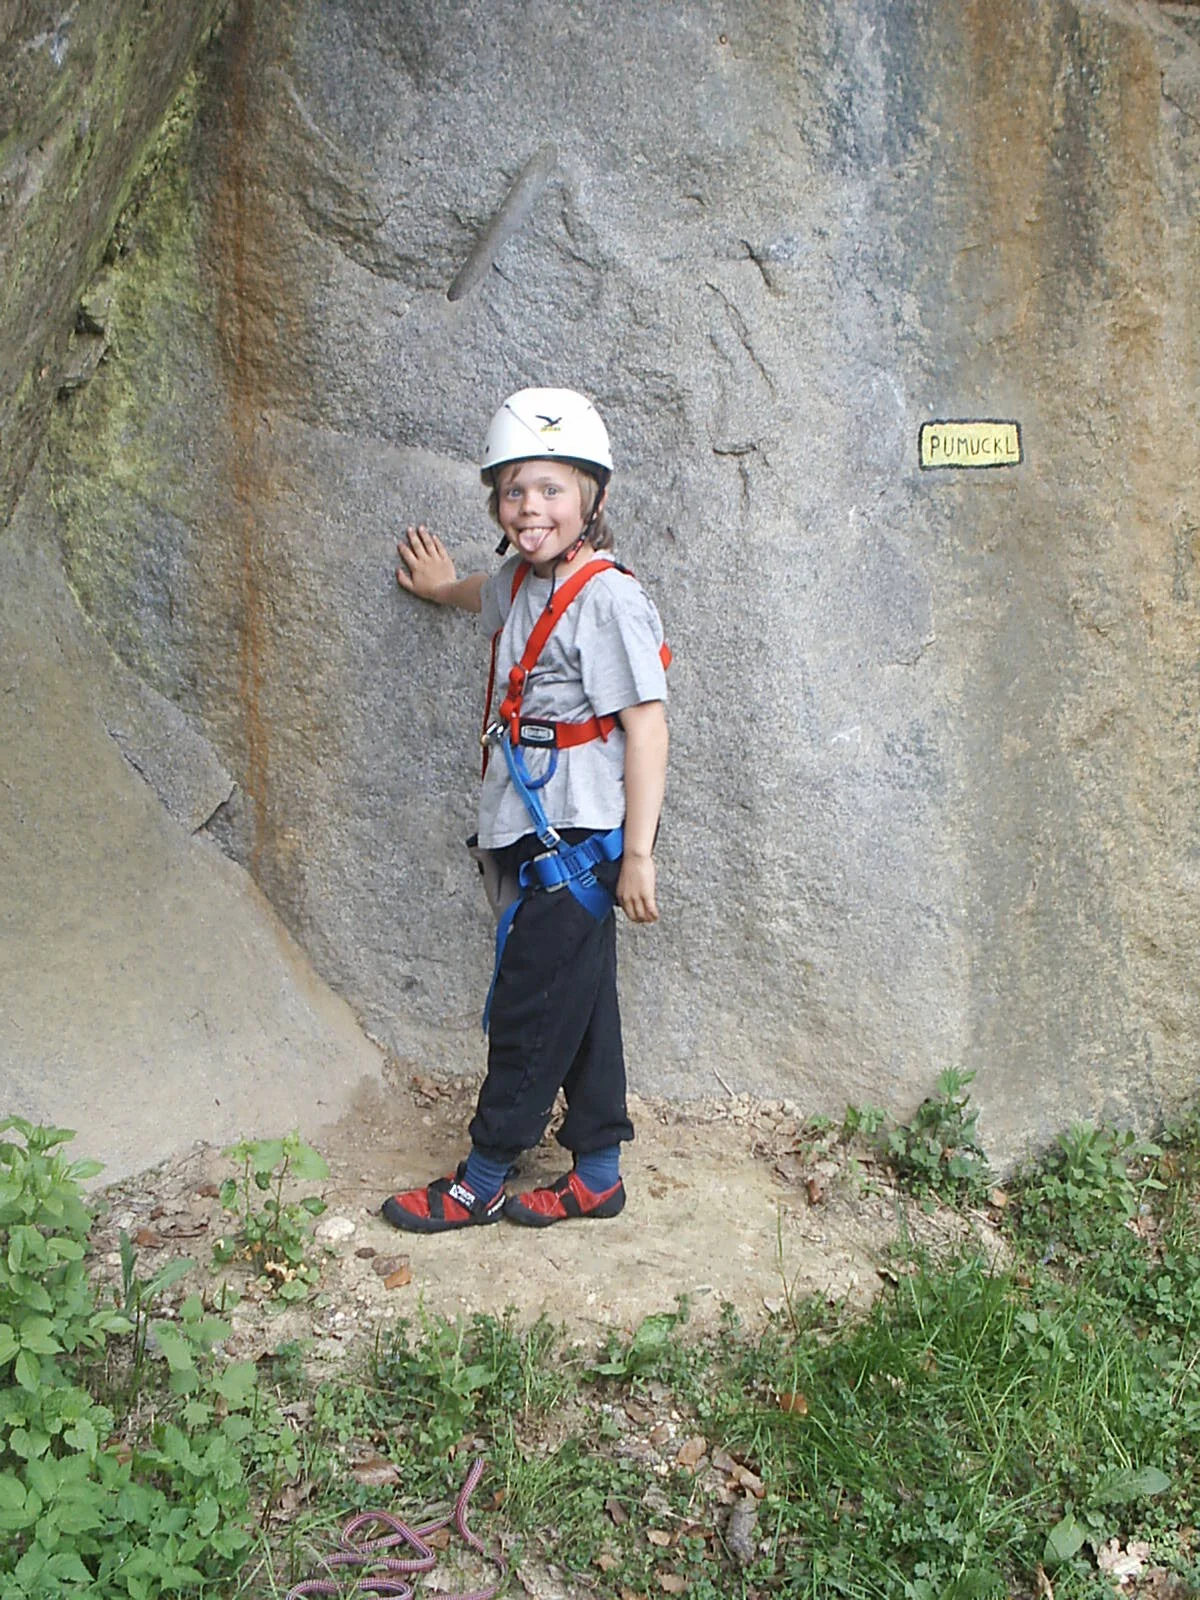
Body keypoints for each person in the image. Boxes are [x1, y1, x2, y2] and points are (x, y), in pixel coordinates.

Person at [381, 387, 669, 1233]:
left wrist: (640, 856)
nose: (530, 507)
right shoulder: (518, 579)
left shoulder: (606, 598)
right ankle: (600, 1171)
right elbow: (488, 595)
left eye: (551, 489)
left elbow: (646, 729)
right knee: (581, 1004)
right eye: (514, 490)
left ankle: (481, 1177)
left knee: (527, 1008)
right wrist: (441, 589)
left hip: (576, 839)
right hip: (530, 823)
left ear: (592, 498)